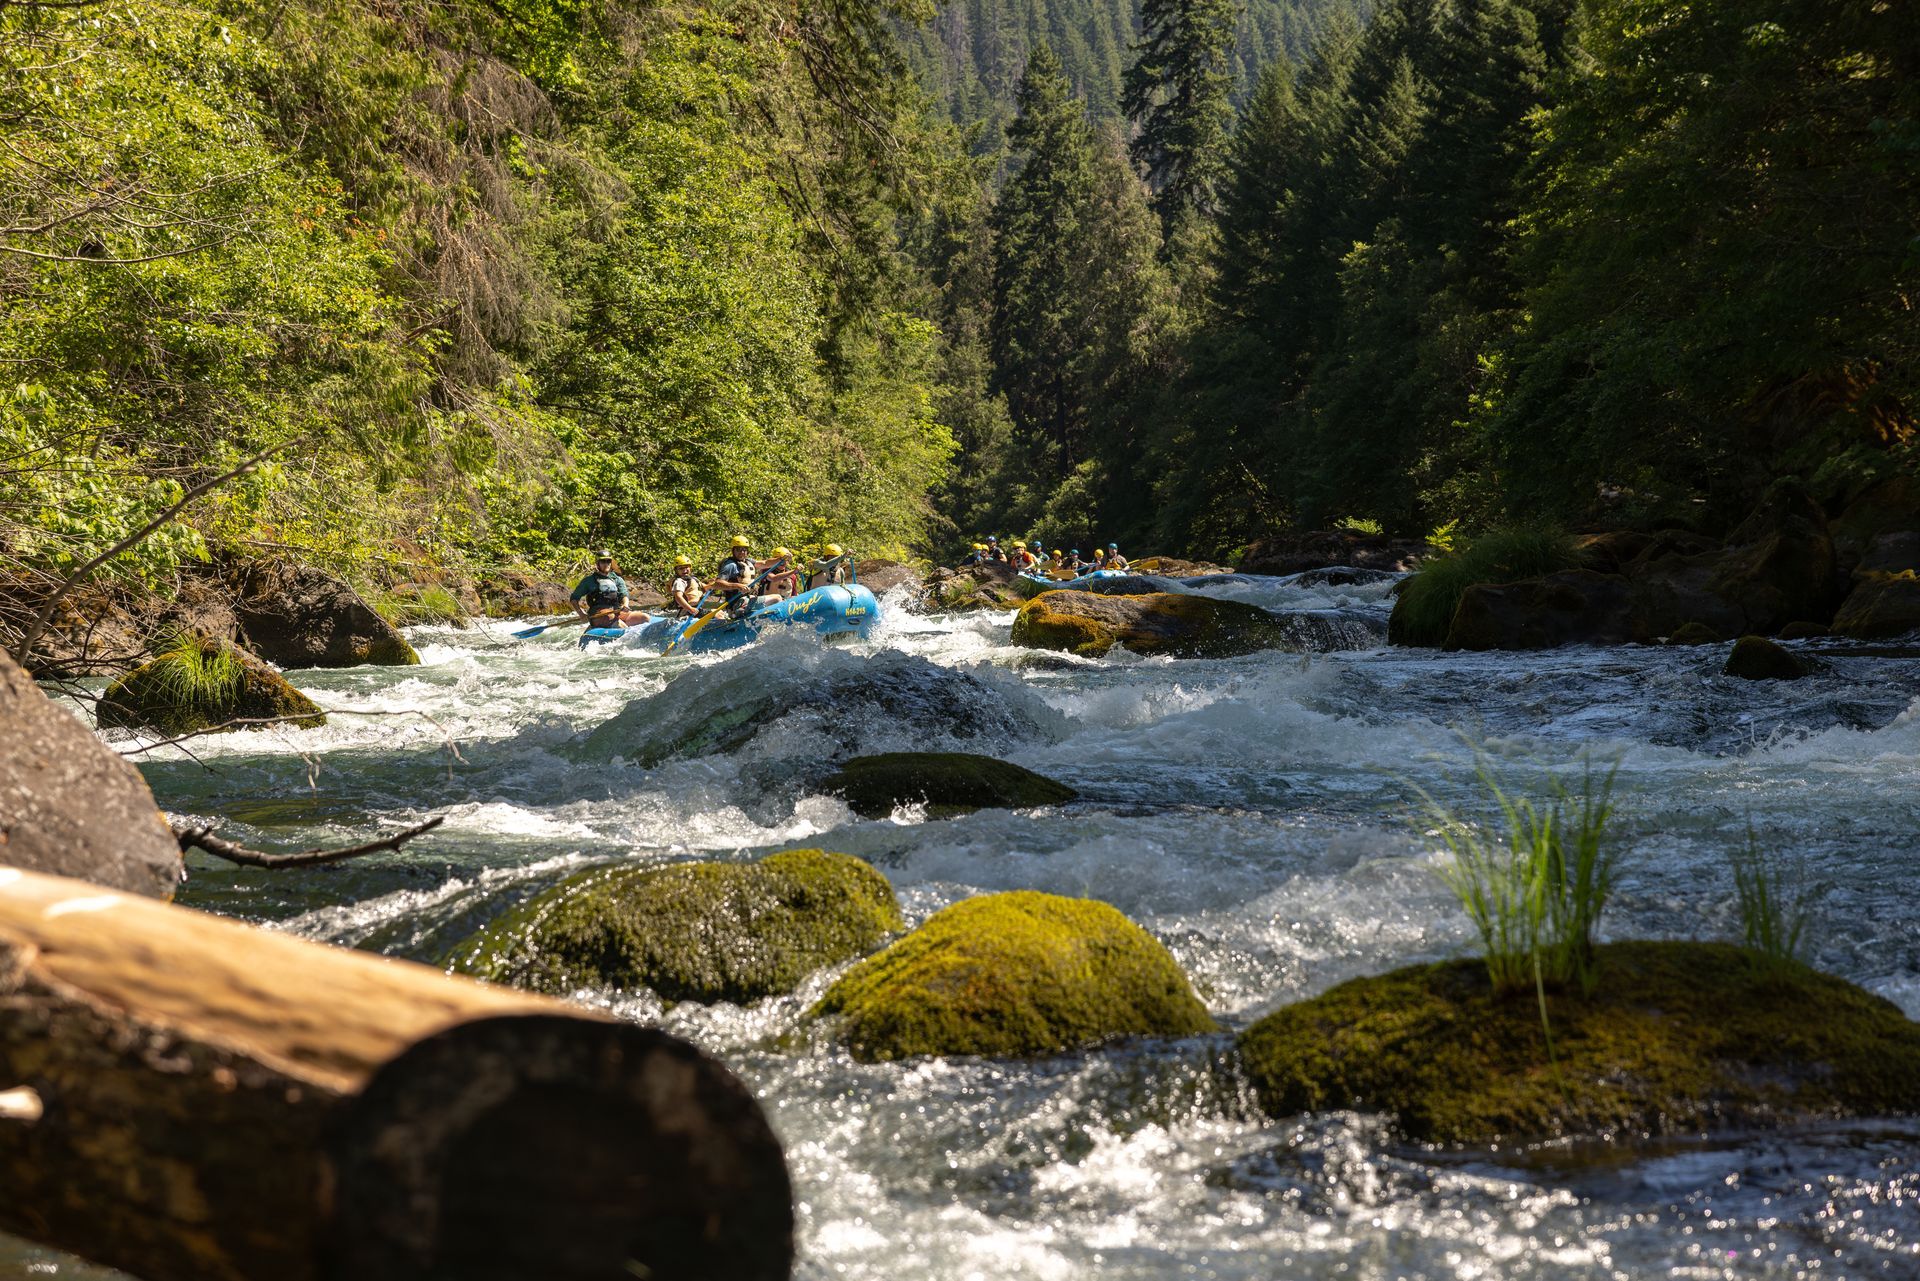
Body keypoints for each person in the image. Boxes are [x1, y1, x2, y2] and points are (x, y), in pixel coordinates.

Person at [570, 549, 650, 627]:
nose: (606, 564)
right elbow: (574, 598)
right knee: (611, 617)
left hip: (616, 610)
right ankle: (621, 627)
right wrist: (581, 614)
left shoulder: (617, 579)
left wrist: (625, 604)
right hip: (599, 614)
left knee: (645, 618)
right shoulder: (589, 581)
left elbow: (624, 594)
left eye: (608, 561)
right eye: (603, 561)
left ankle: (619, 623)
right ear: (598, 563)